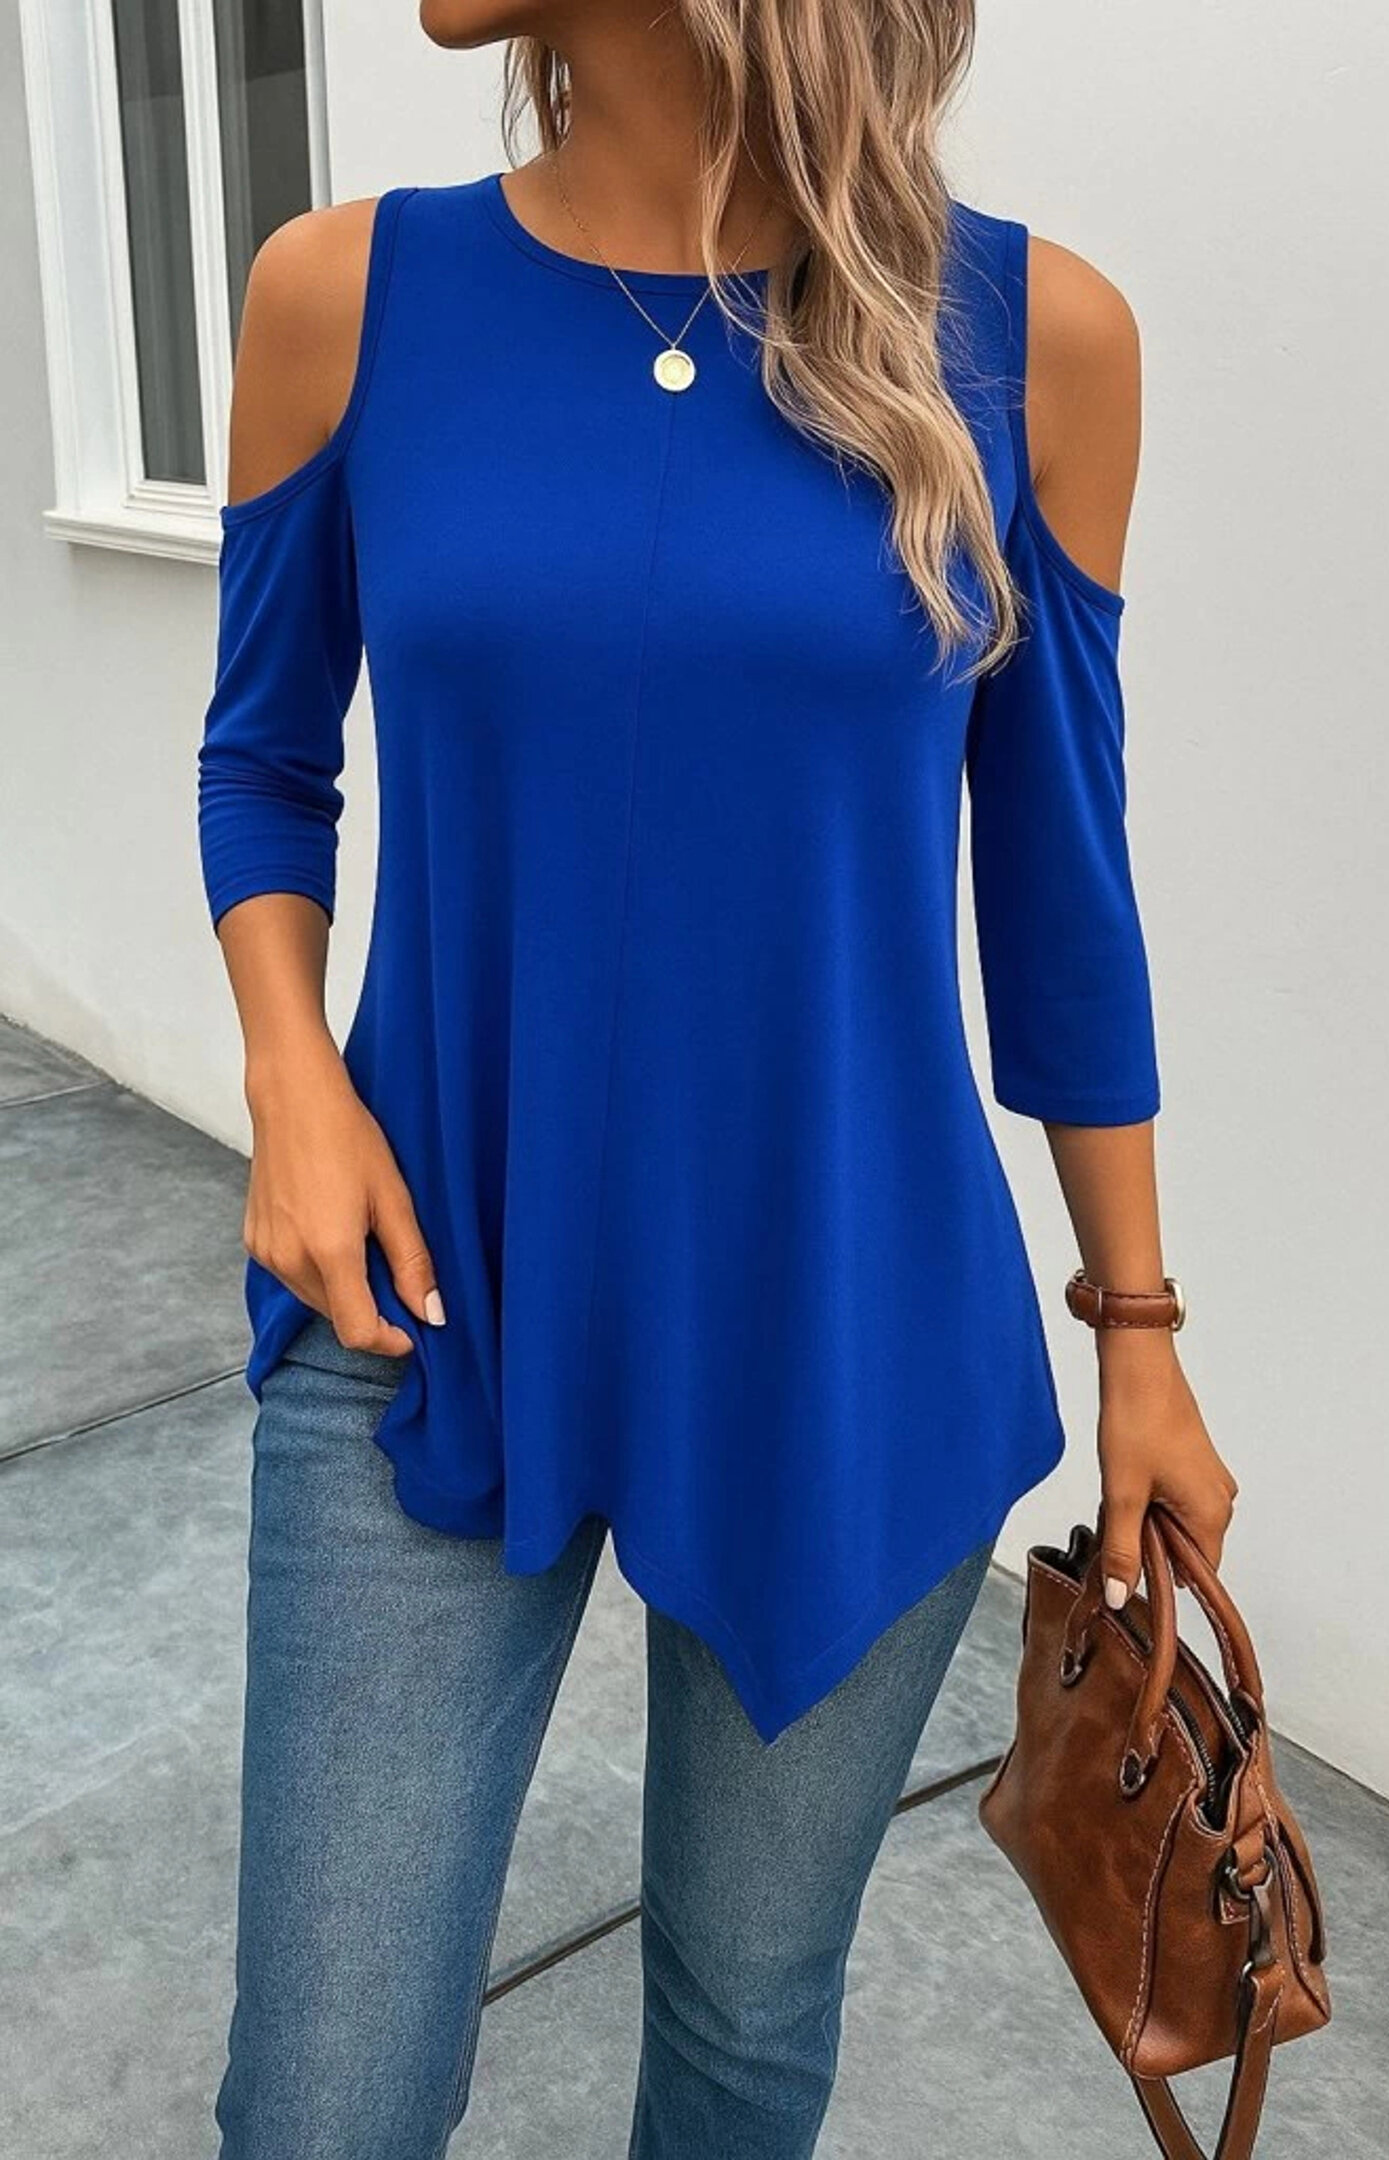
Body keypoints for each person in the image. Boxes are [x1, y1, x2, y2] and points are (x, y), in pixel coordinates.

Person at [196, 3, 1239, 2154]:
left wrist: (1138, 1333)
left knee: (748, 2026)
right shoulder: (342, 296)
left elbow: (1064, 892)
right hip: (424, 1282)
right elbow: (264, 760)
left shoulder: (1036, 338)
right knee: (320, 2099)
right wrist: (292, 1077)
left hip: (843, 1318)